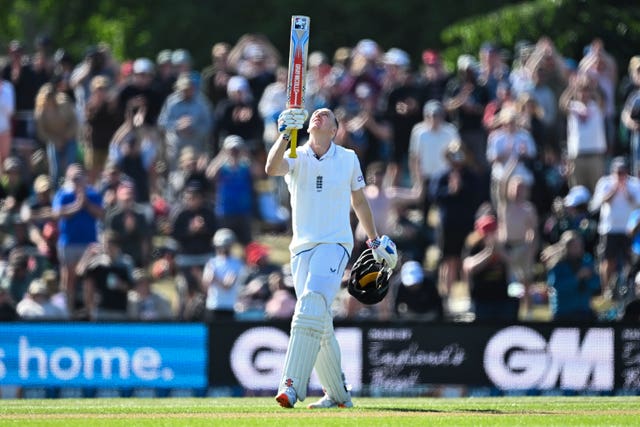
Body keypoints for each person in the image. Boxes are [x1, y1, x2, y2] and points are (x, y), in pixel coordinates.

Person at [265, 106, 397, 409]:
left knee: (311, 303)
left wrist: (374, 239)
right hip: (301, 249)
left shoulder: (348, 158)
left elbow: (360, 201)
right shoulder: (296, 154)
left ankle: (291, 385)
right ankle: (338, 395)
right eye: (315, 114)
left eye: (326, 115)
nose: (317, 115)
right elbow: (272, 169)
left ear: (334, 129)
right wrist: (284, 135)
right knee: (319, 320)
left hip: (335, 244)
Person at [542, 231, 600, 321]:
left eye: (580, 245)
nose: (578, 249)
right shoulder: (557, 265)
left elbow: (596, 285)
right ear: (566, 247)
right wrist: (577, 278)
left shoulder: (587, 262)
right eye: (574, 246)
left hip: (584, 311)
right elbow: (556, 287)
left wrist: (590, 277)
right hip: (563, 313)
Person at [201, 228, 247, 321]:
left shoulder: (237, 263)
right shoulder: (212, 262)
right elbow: (206, 285)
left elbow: (228, 286)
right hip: (212, 306)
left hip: (229, 306)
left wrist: (215, 278)